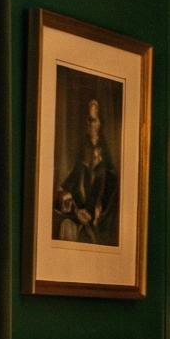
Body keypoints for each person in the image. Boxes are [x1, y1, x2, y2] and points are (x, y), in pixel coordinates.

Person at [53, 96, 117, 243]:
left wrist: (97, 212)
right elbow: (67, 187)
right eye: (89, 121)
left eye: (94, 121)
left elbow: (108, 200)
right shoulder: (82, 161)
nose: (91, 125)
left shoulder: (108, 171)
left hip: (99, 222)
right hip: (80, 216)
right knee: (66, 226)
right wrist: (69, 201)